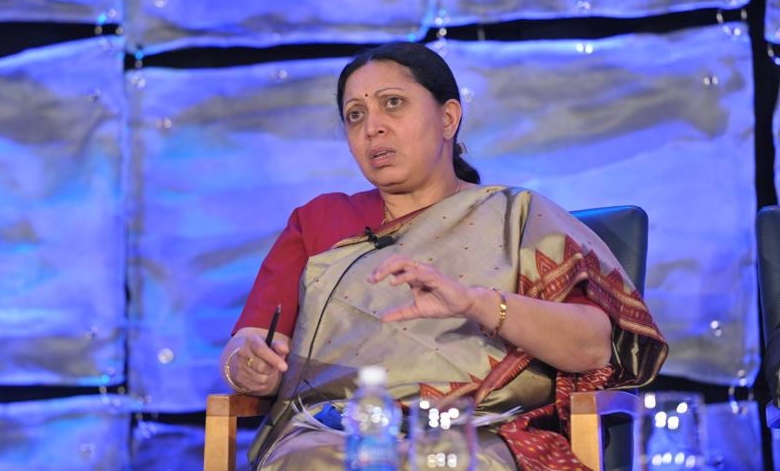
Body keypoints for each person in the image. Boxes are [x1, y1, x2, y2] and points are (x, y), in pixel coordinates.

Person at [220, 42, 668, 469]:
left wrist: (476, 303)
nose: (372, 127)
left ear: (448, 117)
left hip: (478, 433)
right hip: (334, 436)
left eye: (393, 103)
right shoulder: (320, 220)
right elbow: (250, 341)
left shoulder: (516, 216)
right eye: (355, 115)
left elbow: (593, 348)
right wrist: (247, 367)